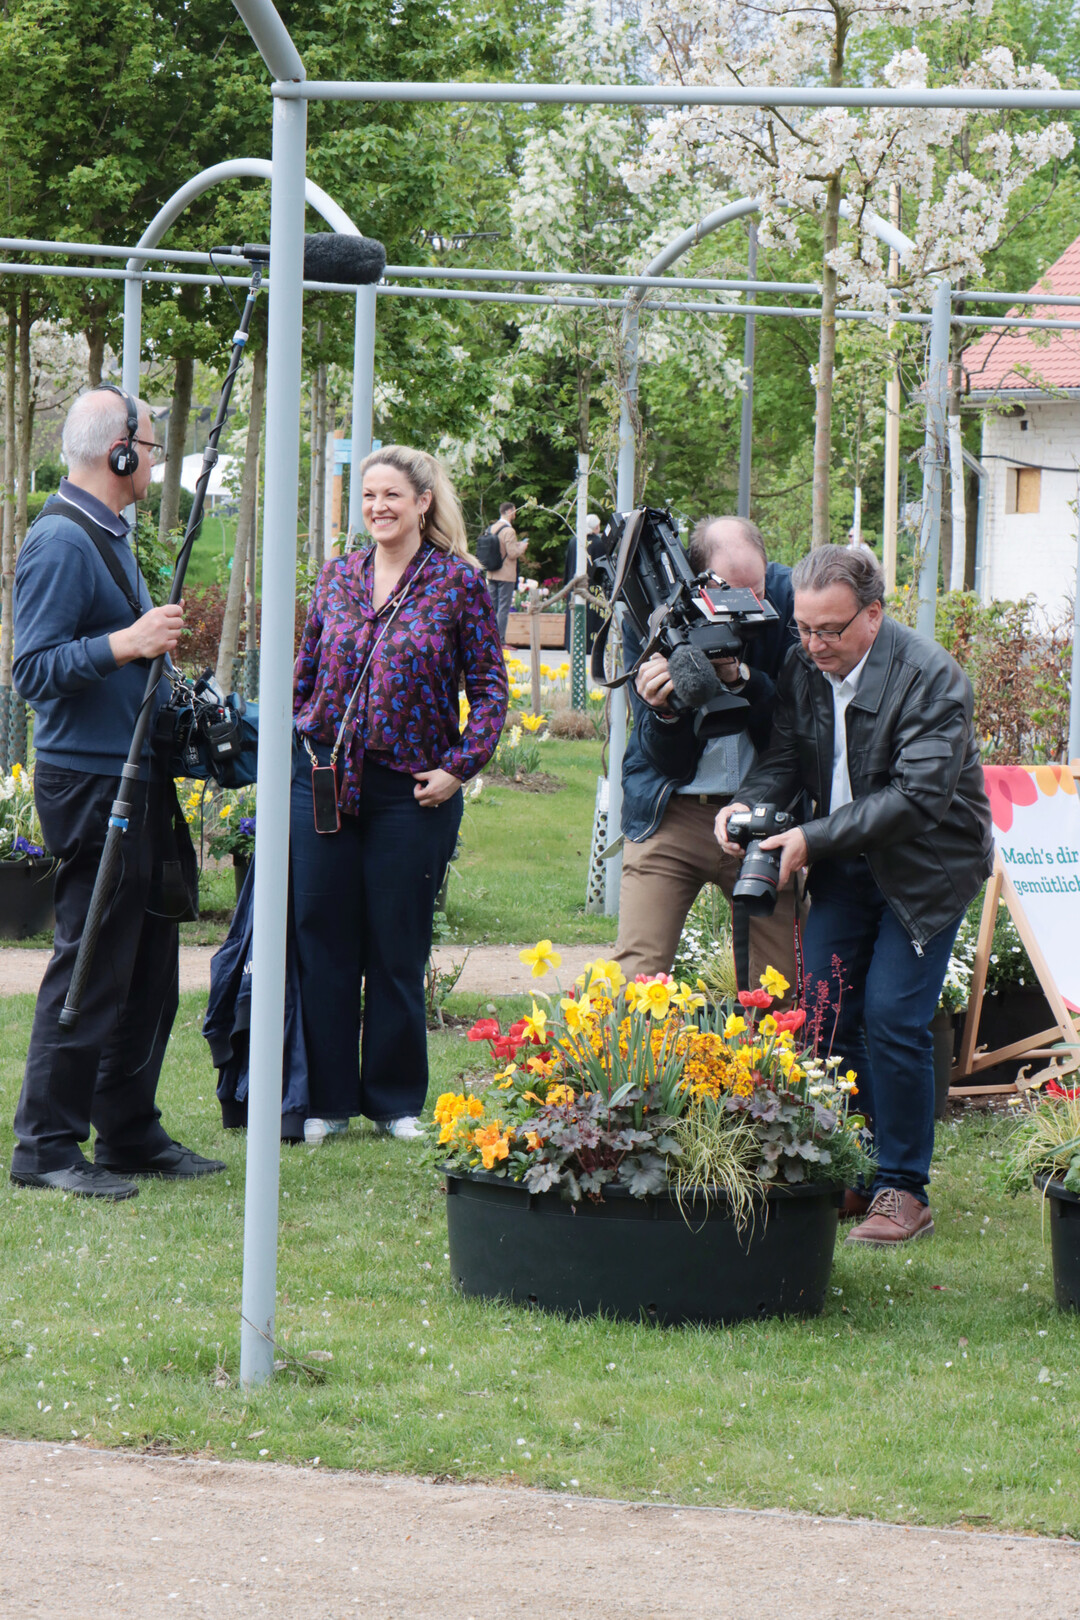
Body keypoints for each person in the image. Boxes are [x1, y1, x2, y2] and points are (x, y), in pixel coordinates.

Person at [717, 545, 993, 1247]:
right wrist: (744, 808)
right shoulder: (807, 667)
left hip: (925, 870)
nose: (813, 645)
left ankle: (904, 1189)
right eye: (804, 629)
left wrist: (810, 838)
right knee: (828, 1015)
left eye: (830, 630)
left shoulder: (932, 677)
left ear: (873, 614)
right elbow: (784, 758)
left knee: (893, 1018)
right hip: (843, 860)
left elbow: (915, 799)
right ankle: (856, 1170)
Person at [10, 386, 225, 1200]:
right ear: (120, 452)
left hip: (133, 771)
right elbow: (34, 671)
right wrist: (125, 643)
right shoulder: (61, 541)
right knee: (94, 962)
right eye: (152, 441)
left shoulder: (108, 533)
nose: (159, 455)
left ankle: (128, 1132)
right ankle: (45, 1147)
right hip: (89, 778)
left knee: (146, 965)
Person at [292, 444, 508, 1143]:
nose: (378, 508)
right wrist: (306, 741)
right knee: (323, 939)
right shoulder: (336, 578)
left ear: (422, 502)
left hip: (411, 791)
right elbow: (305, 672)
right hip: (328, 781)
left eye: (391, 495)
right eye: (367, 497)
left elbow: (492, 690)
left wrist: (460, 766)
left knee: (396, 945)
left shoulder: (456, 584)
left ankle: (392, 1100)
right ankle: (324, 1099)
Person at [613, 515, 801, 994]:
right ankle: (634, 1070)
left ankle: (769, 1071)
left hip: (763, 816)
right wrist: (665, 712)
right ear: (695, 583)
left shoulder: (792, 599)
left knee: (777, 987)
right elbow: (663, 761)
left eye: (757, 590)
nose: (750, 605)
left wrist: (741, 680)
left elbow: (793, 728)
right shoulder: (651, 611)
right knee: (637, 980)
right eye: (732, 593)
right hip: (672, 811)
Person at [485, 501, 527, 641]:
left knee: (493, 607)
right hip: (506, 574)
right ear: (509, 512)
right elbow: (512, 553)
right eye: (514, 511)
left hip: (491, 572)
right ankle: (500, 638)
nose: (515, 514)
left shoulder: (491, 528)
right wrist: (522, 547)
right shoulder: (509, 531)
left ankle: (490, 637)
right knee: (503, 608)